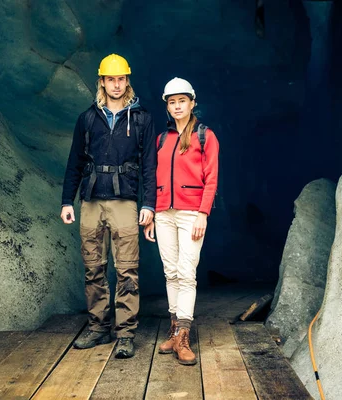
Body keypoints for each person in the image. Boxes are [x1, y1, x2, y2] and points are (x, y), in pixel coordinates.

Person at [60, 54, 156, 359]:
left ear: (127, 80)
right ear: (102, 81)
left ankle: (125, 333)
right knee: (93, 268)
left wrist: (149, 203)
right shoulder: (87, 118)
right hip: (90, 201)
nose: (116, 85)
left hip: (125, 202)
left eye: (121, 79)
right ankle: (98, 327)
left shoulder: (141, 119)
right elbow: (74, 162)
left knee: (127, 270)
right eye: (110, 79)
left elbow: (150, 166)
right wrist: (67, 200)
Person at [144, 78, 219, 365]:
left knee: (187, 273)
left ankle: (184, 336)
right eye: (172, 102)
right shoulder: (162, 139)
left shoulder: (205, 136)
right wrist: (151, 213)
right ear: (167, 105)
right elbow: (152, 177)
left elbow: (211, 177)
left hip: (191, 213)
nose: (177, 106)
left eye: (182, 101)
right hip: (163, 214)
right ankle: (174, 331)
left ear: (192, 102)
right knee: (170, 272)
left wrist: (203, 212)